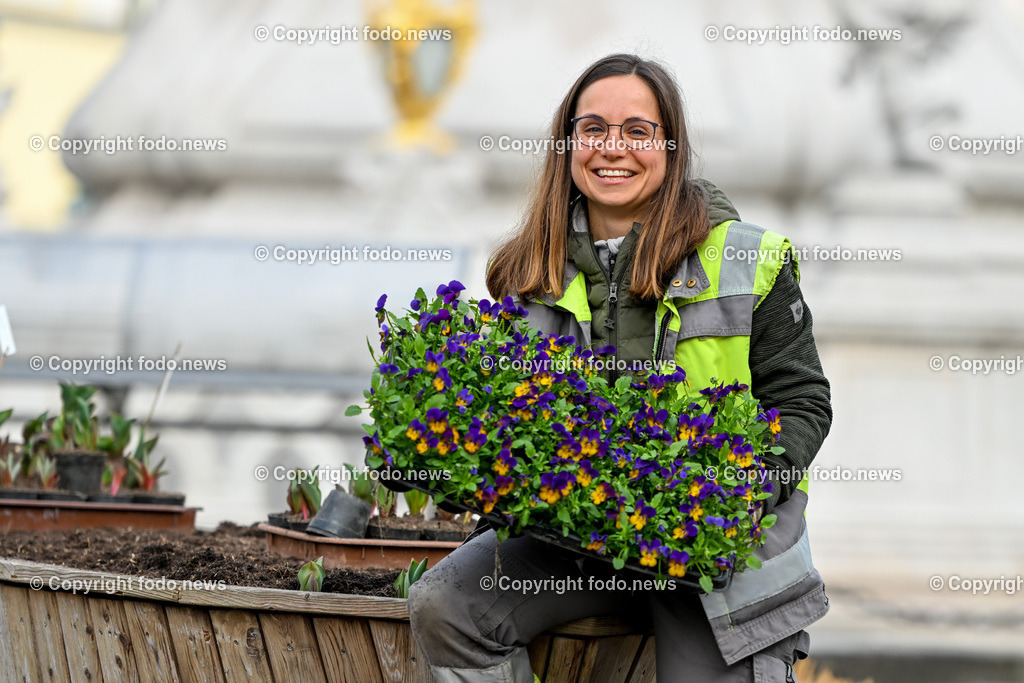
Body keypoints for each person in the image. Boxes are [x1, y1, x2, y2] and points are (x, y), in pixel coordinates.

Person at [408, 53, 832, 683]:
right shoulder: (527, 269)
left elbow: (802, 400)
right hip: (573, 542)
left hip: (715, 558)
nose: (614, 149)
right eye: (593, 129)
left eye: (637, 131)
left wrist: (745, 493)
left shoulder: (748, 257)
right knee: (448, 607)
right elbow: (505, 413)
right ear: (568, 144)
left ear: (671, 146)